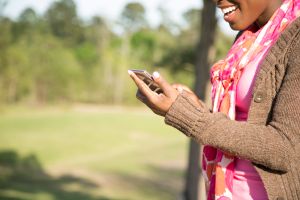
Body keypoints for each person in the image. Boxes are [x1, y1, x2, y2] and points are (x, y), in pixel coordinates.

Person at [128, 0, 300, 199]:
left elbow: (285, 148)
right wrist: (198, 109)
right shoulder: (250, 39)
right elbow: (242, 127)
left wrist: (191, 117)